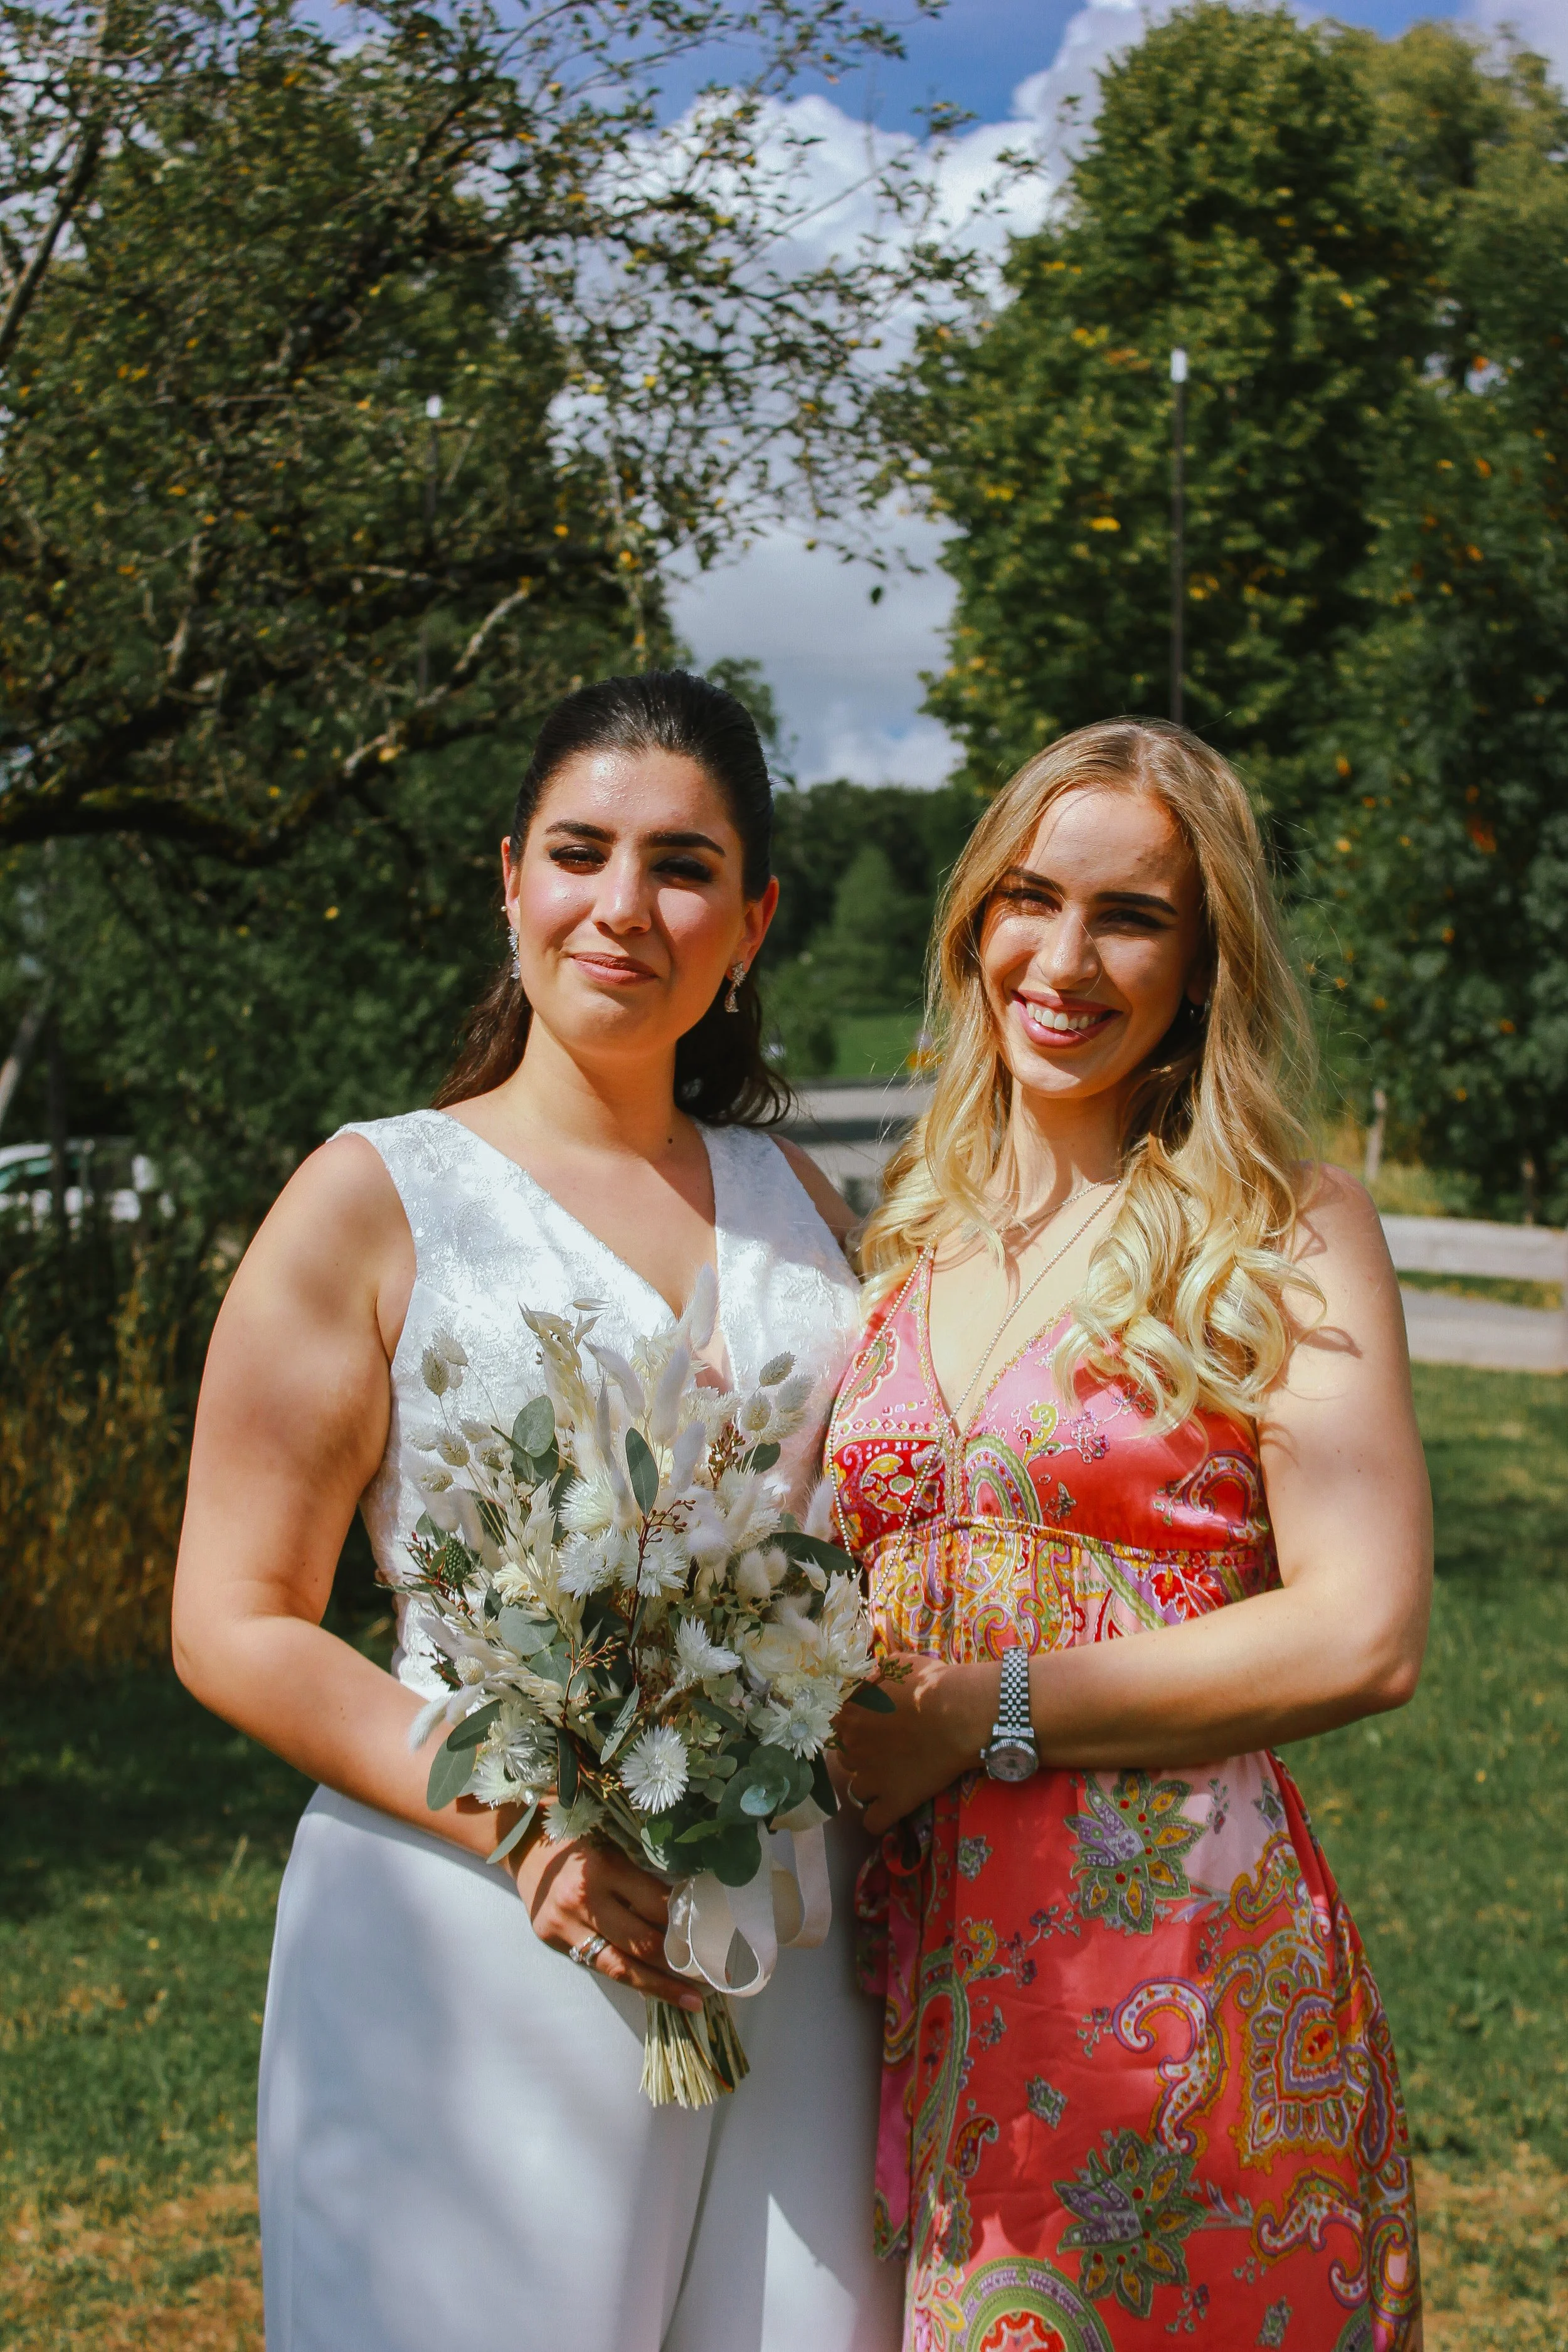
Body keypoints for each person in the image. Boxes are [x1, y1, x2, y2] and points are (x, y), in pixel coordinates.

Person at [171, 670, 902, 2352]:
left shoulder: (798, 1202)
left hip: (787, 1941)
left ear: (754, 917)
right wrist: (524, 1823)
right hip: (474, 1934)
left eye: (685, 866)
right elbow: (230, 1615)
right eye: (580, 852)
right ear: (511, 877)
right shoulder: (371, 1198)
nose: (623, 908)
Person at [830, 719, 1428, 2351]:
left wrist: (978, 1711)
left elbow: (1362, 1626)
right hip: (902, 1981)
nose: (1066, 956)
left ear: (1203, 955)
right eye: (1028, 896)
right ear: (970, 926)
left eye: (1131, 915)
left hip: (1169, 1991)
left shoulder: (1282, 1230)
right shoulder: (908, 1235)